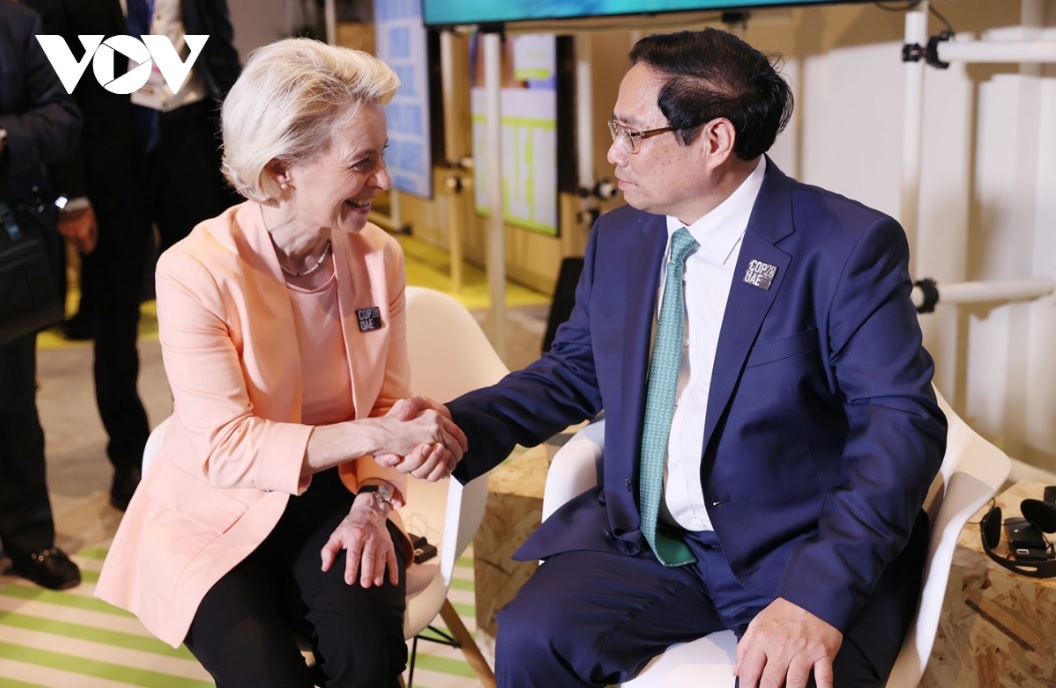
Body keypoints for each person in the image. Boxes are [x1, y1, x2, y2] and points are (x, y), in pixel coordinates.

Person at [397, 29, 948, 687]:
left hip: (798, 547)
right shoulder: (621, 234)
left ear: (714, 140)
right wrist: (458, 425)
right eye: (616, 129)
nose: (613, 152)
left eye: (633, 134)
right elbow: (577, 368)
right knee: (533, 635)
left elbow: (900, 425)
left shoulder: (844, 246)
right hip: (655, 542)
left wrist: (816, 596)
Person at [94, 38, 467, 687]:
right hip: (211, 508)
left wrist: (374, 500)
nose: (383, 180)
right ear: (283, 170)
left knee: (368, 660)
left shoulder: (378, 257)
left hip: (335, 495)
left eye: (382, 156)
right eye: (363, 162)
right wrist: (380, 433)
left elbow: (389, 404)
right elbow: (227, 448)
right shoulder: (194, 270)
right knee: (266, 675)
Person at [47, 0, 244, 510]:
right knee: (115, 317)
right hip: (110, 155)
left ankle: (205, 444)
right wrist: (72, 195)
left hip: (191, 142)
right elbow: (57, 89)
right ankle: (129, 457)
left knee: (211, 306)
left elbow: (222, 55)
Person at [0, 0, 84, 590]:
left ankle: (29, 539)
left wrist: (5, 135)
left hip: (6, 243)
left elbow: (63, 116)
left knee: (11, 401)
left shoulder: (18, 22)